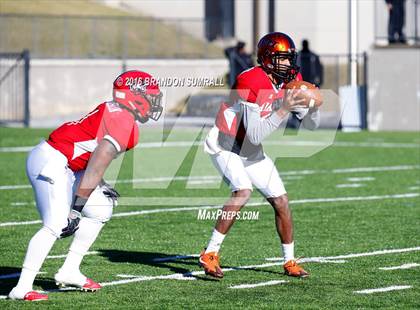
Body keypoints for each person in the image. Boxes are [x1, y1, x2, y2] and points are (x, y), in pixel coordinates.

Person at [8, 70, 163, 301]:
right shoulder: (123, 122)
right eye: (151, 97)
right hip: (52, 160)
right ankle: (22, 287)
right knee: (57, 223)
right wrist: (75, 210)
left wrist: (98, 184)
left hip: (66, 163)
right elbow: (95, 166)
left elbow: (90, 153)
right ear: (134, 96)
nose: (153, 104)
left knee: (101, 208)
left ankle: (69, 270)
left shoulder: (117, 112)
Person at [199, 32, 321, 279]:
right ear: (267, 59)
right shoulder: (250, 80)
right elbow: (254, 134)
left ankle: (289, 261)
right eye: (282, 59)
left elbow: (310, 126)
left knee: (281, 201)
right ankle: (209, 253)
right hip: (226, 142)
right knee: (242, 190)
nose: (289, 65)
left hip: (250, 149)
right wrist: (285, 108)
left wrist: (313, 107)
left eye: (290, 59)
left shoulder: (292, 78)